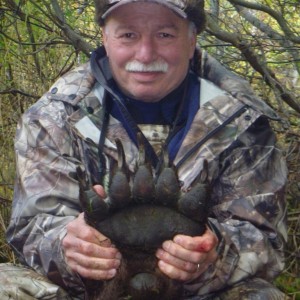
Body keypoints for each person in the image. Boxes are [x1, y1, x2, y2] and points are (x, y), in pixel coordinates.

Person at [0, 0, 288, 299]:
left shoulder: (243, 124)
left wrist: (212, 251)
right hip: (89, 292)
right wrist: (68, 247)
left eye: (165, 35)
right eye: (128, 35)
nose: (146, 54)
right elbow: (31, 228)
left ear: (192, 41)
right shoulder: (54, 117)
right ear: (105, 39)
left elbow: (267, 242)